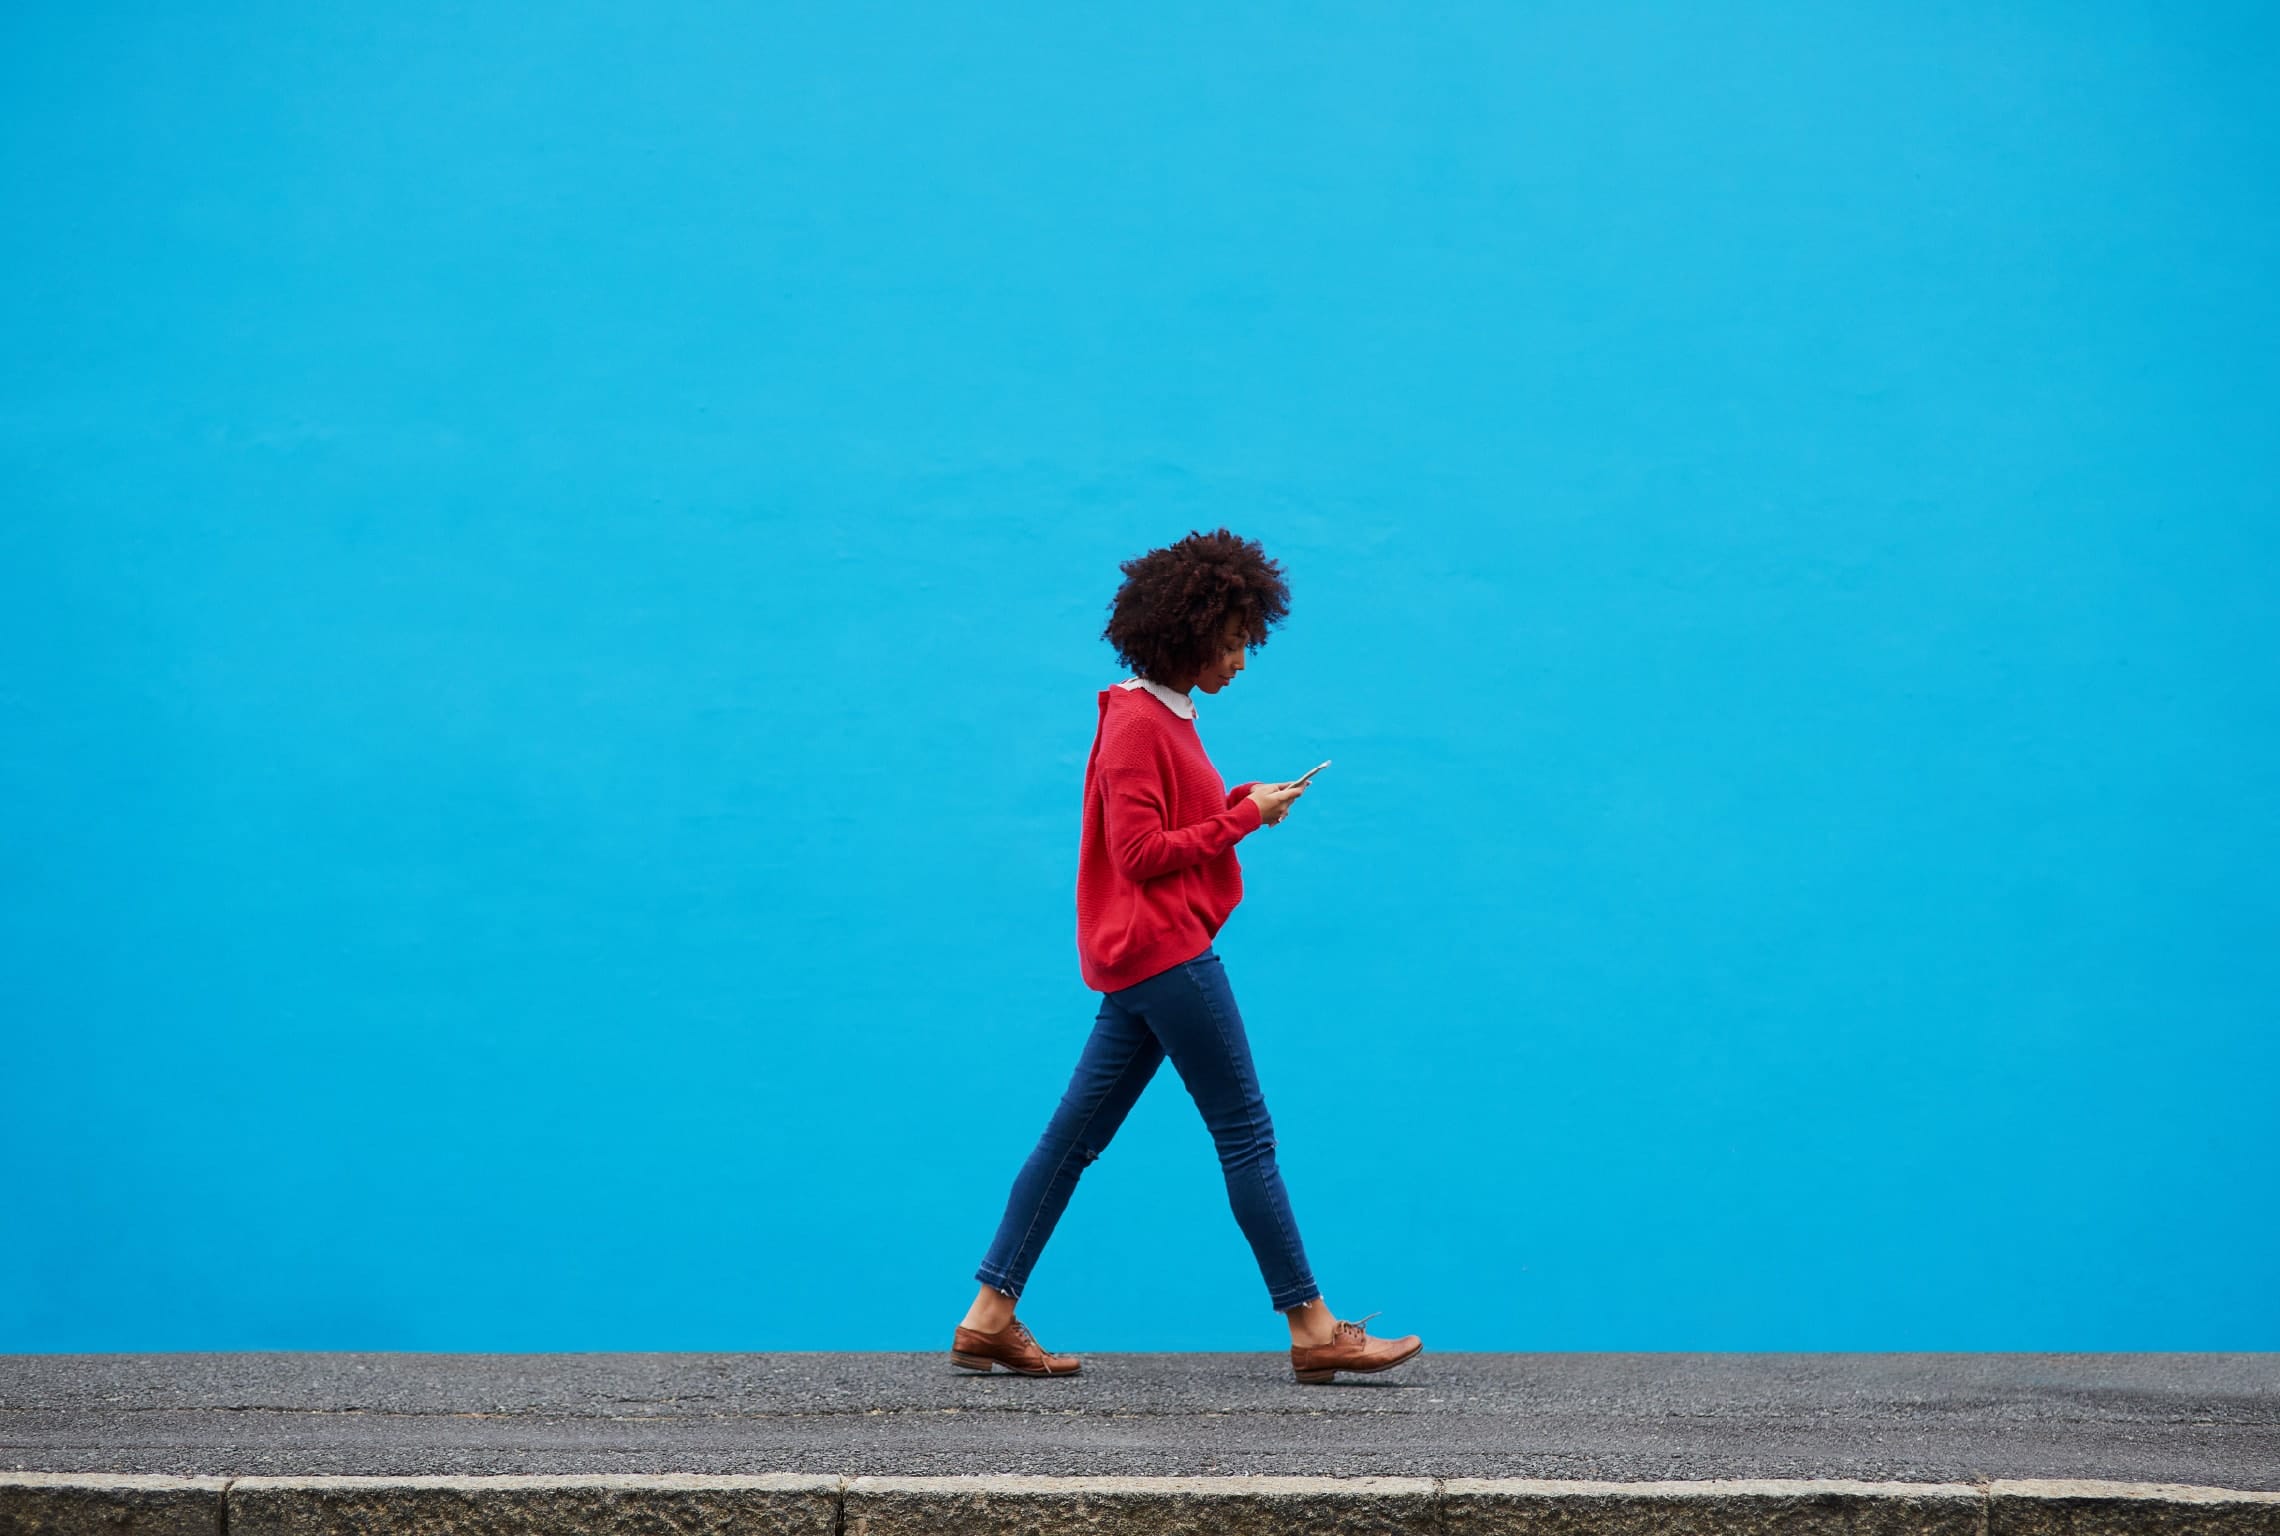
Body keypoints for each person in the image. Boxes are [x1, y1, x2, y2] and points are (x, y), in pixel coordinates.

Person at [950, 527, 1423, 1385]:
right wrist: (1242, 820)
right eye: (1235, 643)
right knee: (1246, 1135)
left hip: (1140, 962)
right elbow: (1140, 853)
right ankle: (1314, 1329)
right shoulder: (1135, 722)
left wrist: (1245, 799)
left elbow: (1171, 824)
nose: (1243, 661)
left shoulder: (1161, 714)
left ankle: (988, 1316)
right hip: (1168, 957)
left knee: (1070, 1141)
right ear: (1190, 634)